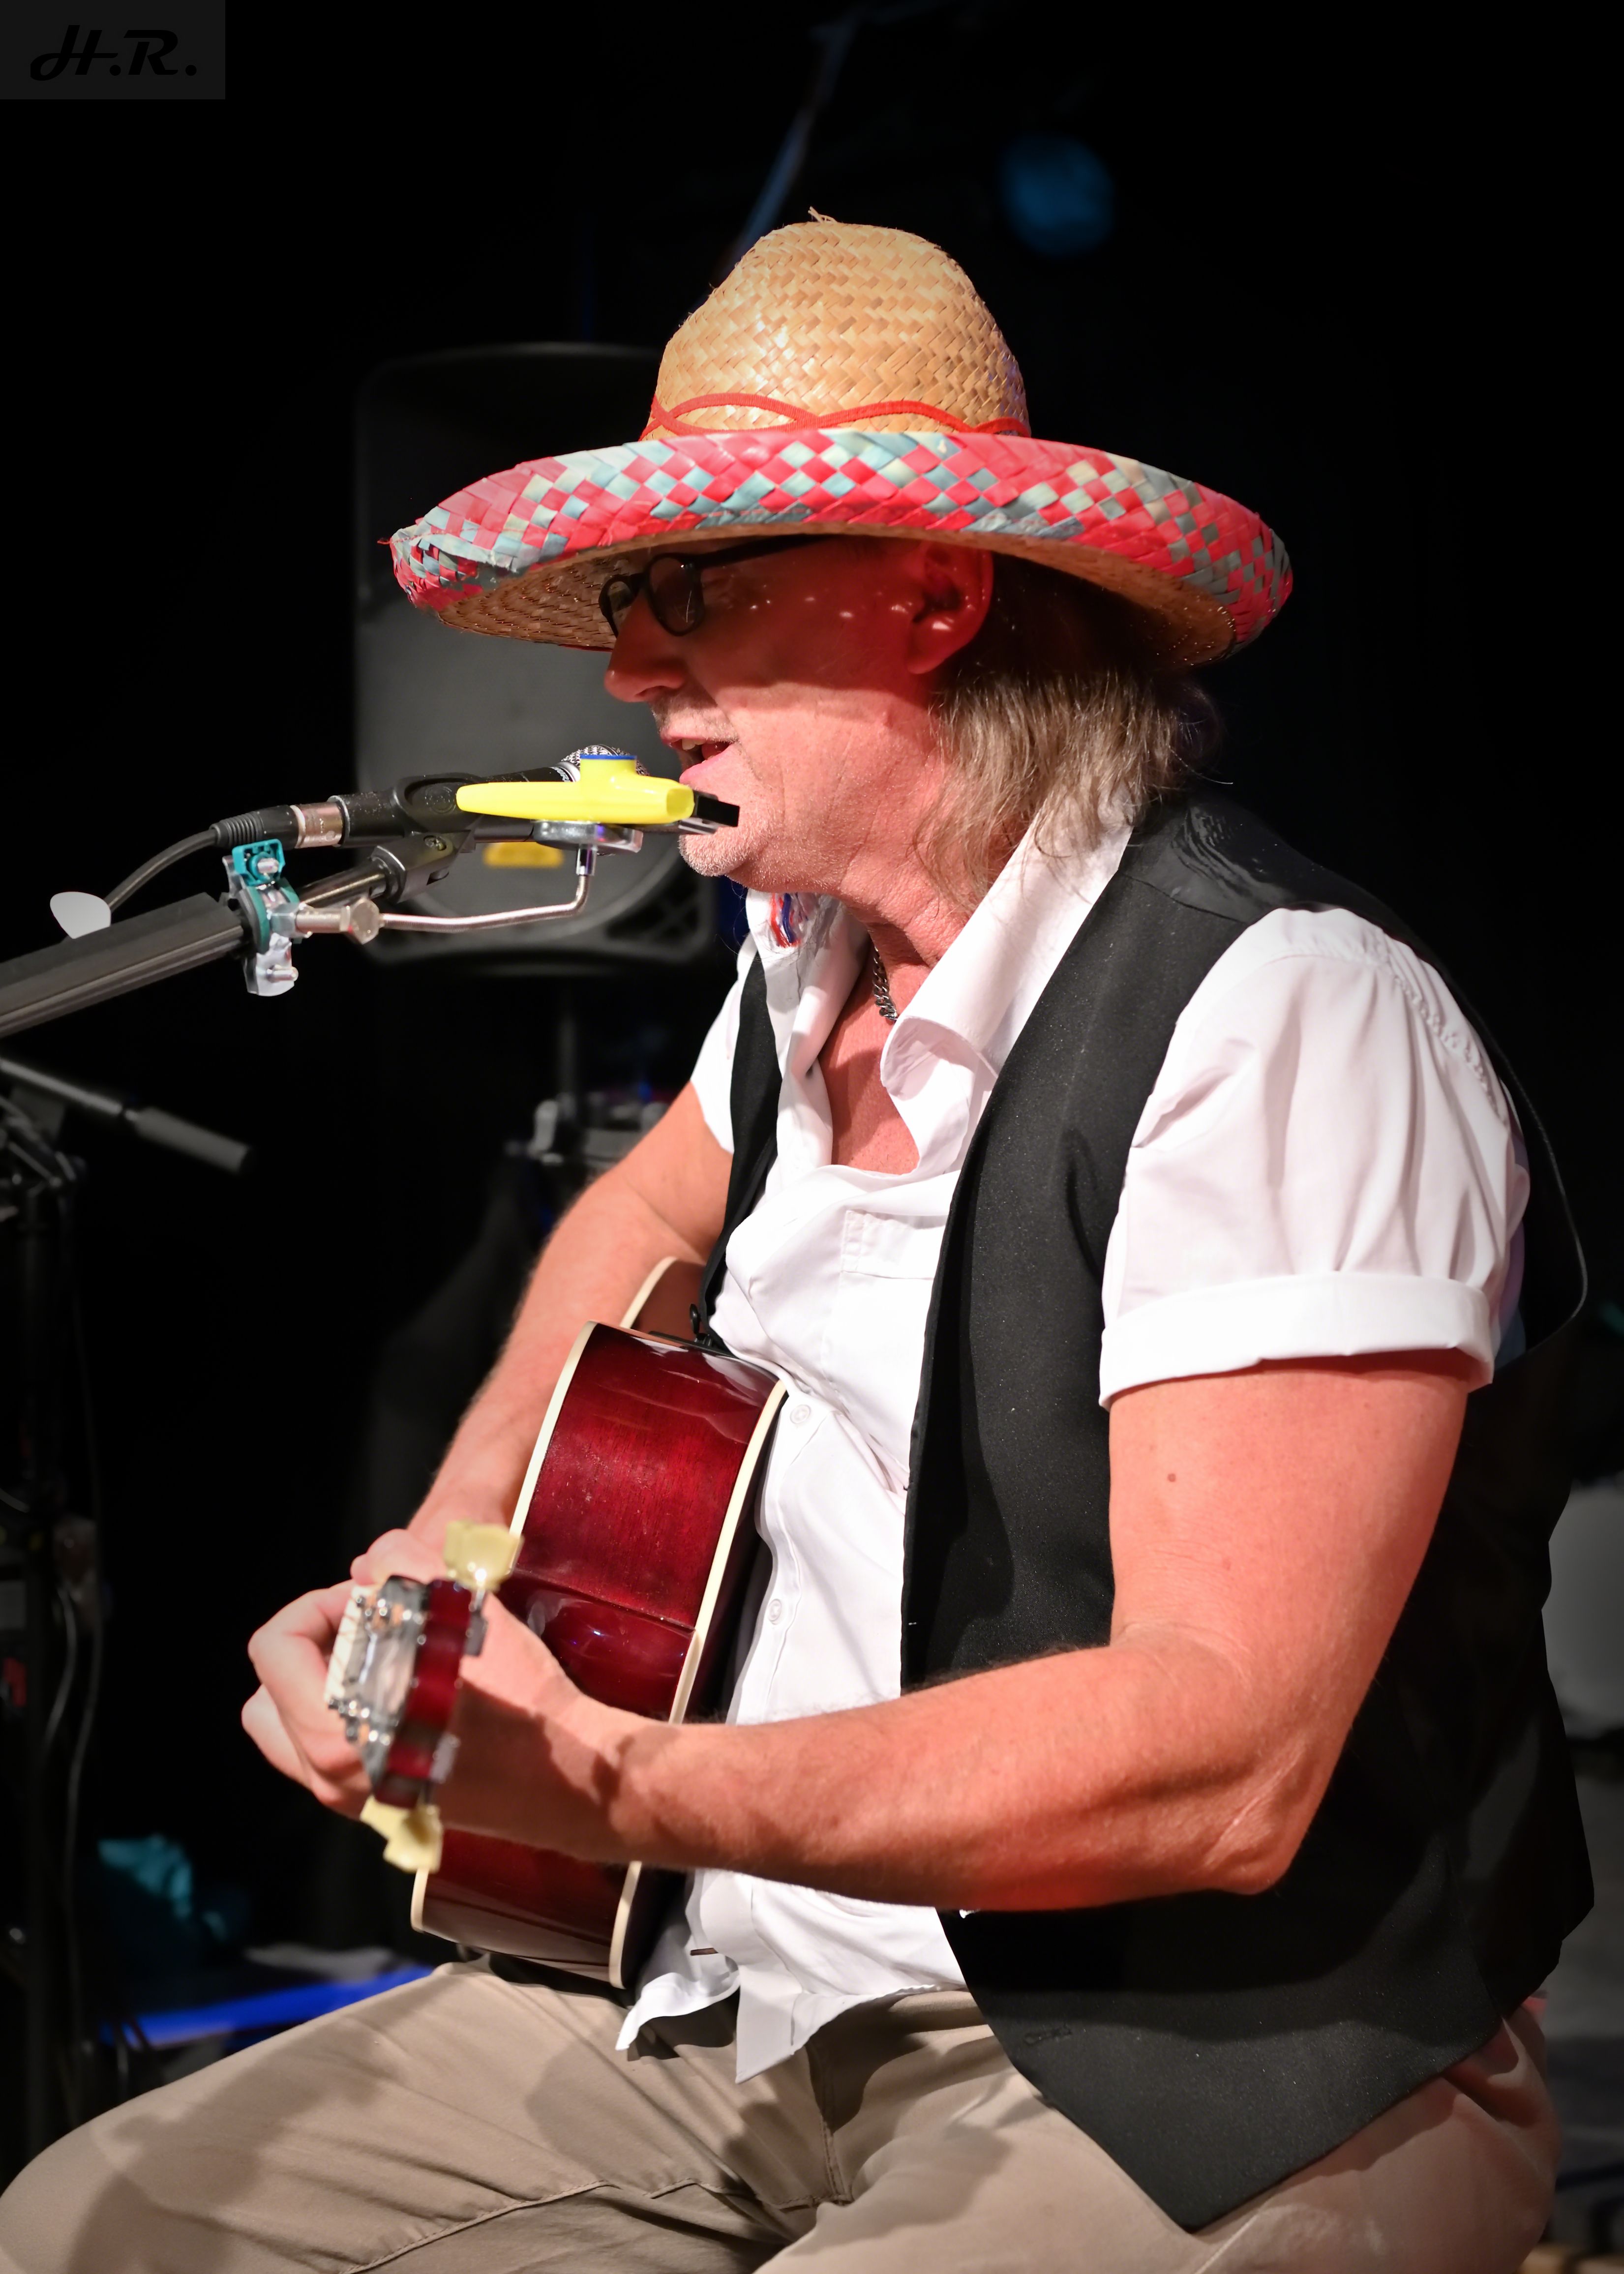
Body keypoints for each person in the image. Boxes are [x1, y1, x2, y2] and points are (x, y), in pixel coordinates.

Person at [0, 220, 1588, 2274]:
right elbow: (642, 1208)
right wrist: (450, 1559)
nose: (626, 673)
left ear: (934, 596)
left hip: (1209, 2060)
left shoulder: (1281, 1017)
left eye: (691, 590)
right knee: (84, 2227)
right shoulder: (796, 964)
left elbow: (1222, 1763)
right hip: (731, 1997)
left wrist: (620, 1782)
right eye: (626, 602)